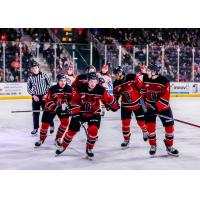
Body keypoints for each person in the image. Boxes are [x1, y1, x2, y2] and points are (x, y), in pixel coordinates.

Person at [55, 73, 119, 159]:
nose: (93, 83)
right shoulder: (81, 87)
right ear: (87, 81)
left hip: (94, 114)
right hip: (80, 113)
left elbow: (109, 99)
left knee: (93, 131)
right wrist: (76, 113)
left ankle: (89, 149)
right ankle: (63, 146)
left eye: (95, 81)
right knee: (71, 131)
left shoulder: (101, 89)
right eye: (91, 81)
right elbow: (75, 101)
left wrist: (114, 106)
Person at [137, 64, 179, 156]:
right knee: (150, 129)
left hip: (163, 108)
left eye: (148, 70)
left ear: (154, 72)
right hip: (149, 108)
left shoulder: (164, 81)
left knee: (170, 128)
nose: (146, 71)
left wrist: (156, 108)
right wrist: (144, 108)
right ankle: (153, 145)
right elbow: (142, 96)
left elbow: (166, 98)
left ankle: (169, 146)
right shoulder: (145, 78)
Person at [113, 66, 148, 149]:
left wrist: (145, 102)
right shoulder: (115, 83)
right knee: (125, 124)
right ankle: (126, 140)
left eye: (116, 74)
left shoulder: (132, 77)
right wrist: (115, 104)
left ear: (120, 73)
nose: (115, 76)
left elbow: (142, 88)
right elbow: (116, 96)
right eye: (115, 74)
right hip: (125, 106)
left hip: (138, 104)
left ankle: (145, 131)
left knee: (141, 122)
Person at [35, 73, 73, 147]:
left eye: (64, 81)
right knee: (45, 124)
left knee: (65, 122)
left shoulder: (69, 89)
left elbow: (72, 101)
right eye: (61, 81)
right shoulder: (52, 89)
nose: (63, 82)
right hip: (52, 108)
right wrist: (55, 107)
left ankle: (58, 138)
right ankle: (41, 139)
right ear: (58, 81)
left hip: (63, 107)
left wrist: (70, 108)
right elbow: (47, 101)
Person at [27, 61, 54, 136]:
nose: (34, 69)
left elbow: (50, 86)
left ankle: (51, 125)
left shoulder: (44, 75)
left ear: (38, 68)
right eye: (33, 68)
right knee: (35, 113)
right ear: (31, 69)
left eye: (36, 68)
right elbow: (28, 88)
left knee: (47, 113)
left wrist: (46, 94)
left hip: (44, 97)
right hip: (36, 97)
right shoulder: (30, 78)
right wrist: (33, 95)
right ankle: (35, 128)